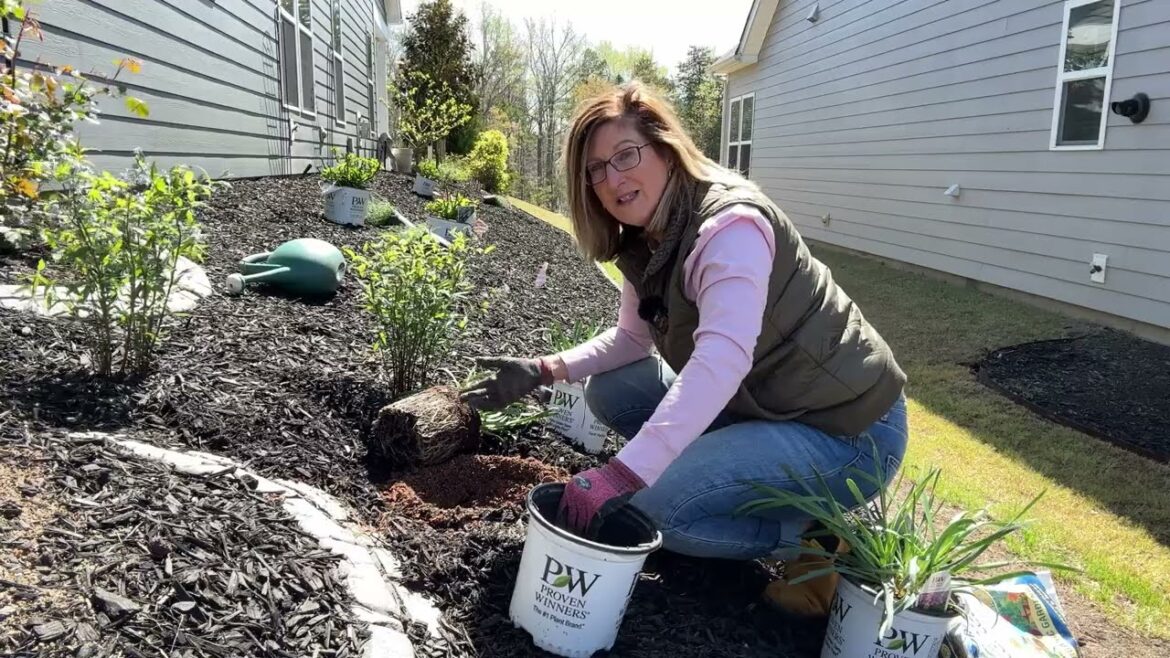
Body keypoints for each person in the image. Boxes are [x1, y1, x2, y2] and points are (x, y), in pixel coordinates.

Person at [459, 82, 908, 616]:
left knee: (660, 515)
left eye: (626, 155)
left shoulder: (729, 228)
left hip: (847, 431)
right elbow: (631, 340)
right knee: (614, 390)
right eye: (596, 169)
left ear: (667, 148)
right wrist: (542, 369)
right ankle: (718, 482)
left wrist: (623, 475)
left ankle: (817, 539)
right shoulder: (650, 236)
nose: (613, 178)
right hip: (767, 408)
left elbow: (722, 360)